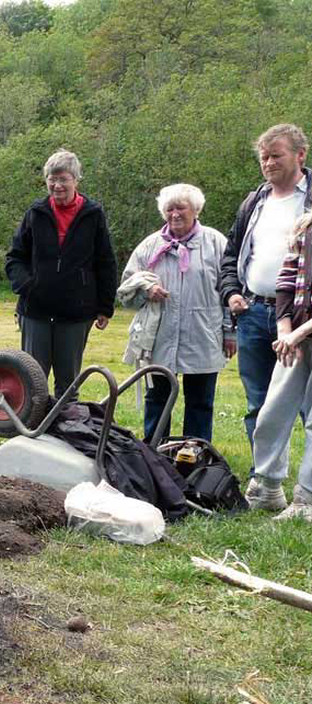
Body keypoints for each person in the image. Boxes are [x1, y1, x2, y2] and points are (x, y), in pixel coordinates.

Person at [218, 124, 311, 473]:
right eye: (264, 157)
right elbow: (230, 256)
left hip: (304, 318)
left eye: (276, 155)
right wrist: (231, 293)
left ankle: (308, 486)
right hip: (254, 312)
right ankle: (266, 480)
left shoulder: (310, 199)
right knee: (259, 401)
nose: (268, 163)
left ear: (300, 155)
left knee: (307, 405)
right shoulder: (254, 202)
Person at [117, 183, 235, 443]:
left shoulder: (215, 243)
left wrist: (230, 332)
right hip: (159, 336)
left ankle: (196, 455)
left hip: (203, 333)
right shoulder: (150, 245)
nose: (175, 214)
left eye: (181, 208)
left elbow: (230, 287)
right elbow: (126, 289)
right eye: (169, 209)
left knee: (200, 402)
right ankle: (155, 452)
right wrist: (146, 290)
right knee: (157, 398)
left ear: (195, 209)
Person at [5, 148, 118, 398]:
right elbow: (14, 258)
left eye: (63, 179)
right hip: (36, 311)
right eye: (51, 179)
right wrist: (28, 286)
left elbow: (106, 262)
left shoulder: (93, 214)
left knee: (68, 386)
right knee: (32, 382)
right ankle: (33, 434)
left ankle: (64, 433)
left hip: (76, 313)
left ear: (76, 180)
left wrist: (104, 306)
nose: (57, 185)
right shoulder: (35, 213)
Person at [247, 211, 312, 517]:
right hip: (296, 340)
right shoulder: (304, 226)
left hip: (303, 334)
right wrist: (285, 330)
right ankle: (267, 487)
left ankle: (306, 500)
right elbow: (285, 283)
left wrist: (299, 332)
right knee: (273, 411)